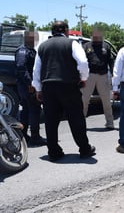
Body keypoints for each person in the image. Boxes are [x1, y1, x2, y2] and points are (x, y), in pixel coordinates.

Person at [32, 21, 95, 161]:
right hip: (68, 85)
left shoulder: (41, 47)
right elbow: (83, 63)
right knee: (76, 118)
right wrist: (83, 78)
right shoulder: (72, 43)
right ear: (66, 30)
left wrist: (38, 88)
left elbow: (36, 70)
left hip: (48, 87)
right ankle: (84, 149)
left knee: (51, 120)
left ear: (52, 31)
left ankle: (53, 152)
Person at [15, 31, 47, 146]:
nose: (34, 41)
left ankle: (24, 135)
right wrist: (31, 84)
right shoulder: (23, 51)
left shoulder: (30, 50)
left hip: (27, 86)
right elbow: (21, 68)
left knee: (27, 110)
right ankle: (35, 136)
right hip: (27, 87)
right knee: (34, 110)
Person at [81, 28, 115, 130]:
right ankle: (81, 124)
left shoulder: (106, 46)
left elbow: (111, 61)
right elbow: (81, 61)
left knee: (106, 101)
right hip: (89, 76)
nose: (96, 37)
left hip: (103, 75)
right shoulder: (86, 46)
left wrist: (113, 74)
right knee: (84, 100)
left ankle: (110, 123)